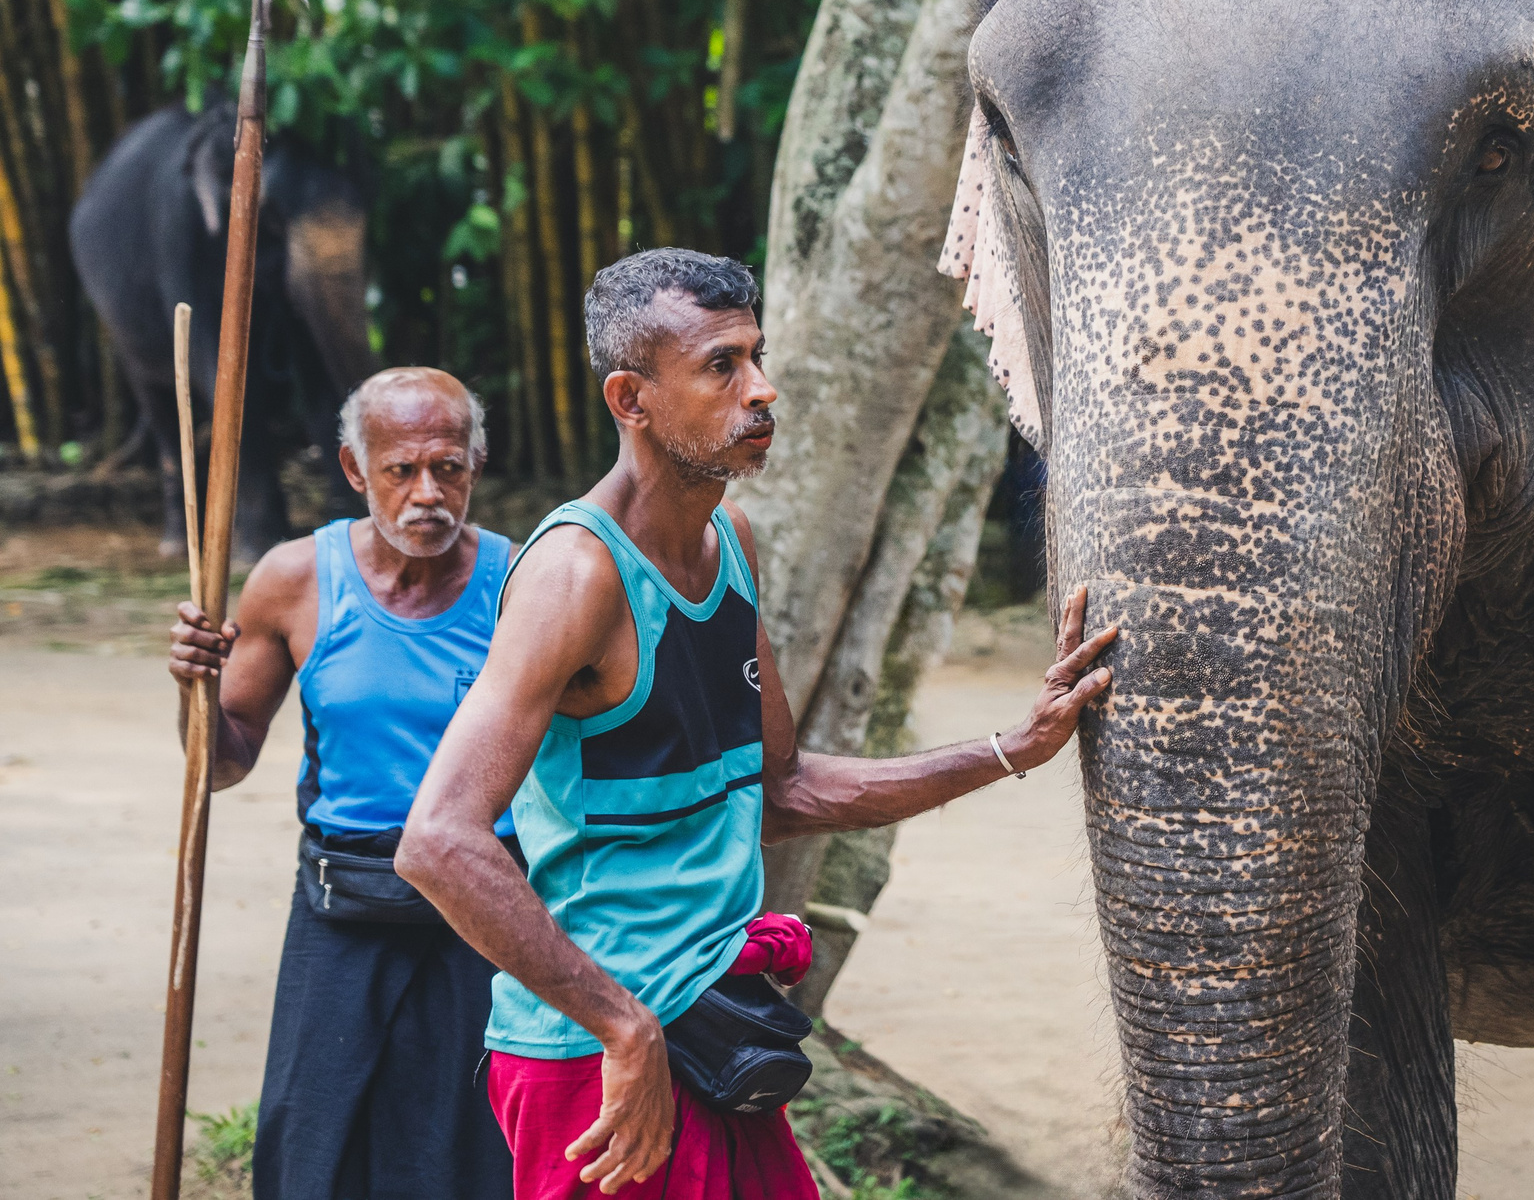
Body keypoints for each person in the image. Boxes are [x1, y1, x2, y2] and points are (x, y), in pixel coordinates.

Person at [399, 248, 1116, 1199]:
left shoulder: (727, 546)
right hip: (595, 1061)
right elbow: (439, 841)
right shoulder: (576, 575)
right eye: (721, 365)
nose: (763, 390)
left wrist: (1012, 748)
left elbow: (780, 787)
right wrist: (622, 1024)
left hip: (711, 1031)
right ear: (632, 398)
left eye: (758, 355)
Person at [166, 367, 519, 1199]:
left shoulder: (527, 582)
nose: (428, 493)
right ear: (356, 470)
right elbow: (220, 762)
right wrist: (195, 690)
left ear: (477, 461)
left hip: (488, 907)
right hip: (344, 899)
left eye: (449, 468)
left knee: (475, 1149)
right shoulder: (295, 580)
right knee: (311, 1147)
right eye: (401, 470)